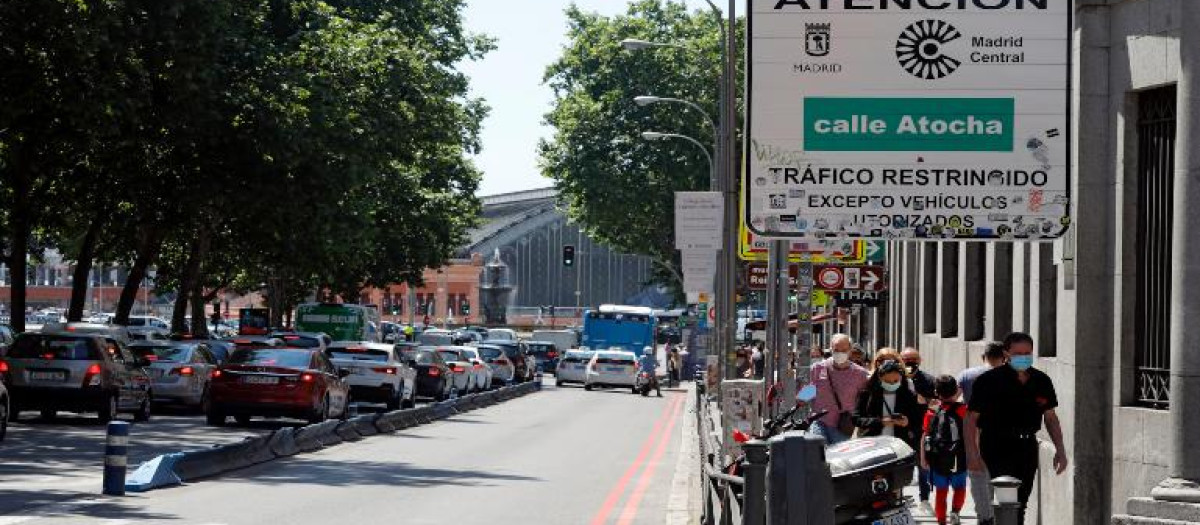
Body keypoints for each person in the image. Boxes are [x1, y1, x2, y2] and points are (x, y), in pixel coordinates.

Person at [966, 332, 1068, 525]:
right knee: (1006, 499)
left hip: (1027, 446)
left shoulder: (1041, 381)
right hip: (996, 445)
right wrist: (972, 454)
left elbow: (1051, 418)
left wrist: (1060, 450)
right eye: (1018, 353)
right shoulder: (988, 381)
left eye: (1027, 353)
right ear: (1006, 353)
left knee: (1021, 502)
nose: (1023, 357)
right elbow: (971, 419)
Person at [957, 341, 1008, 525]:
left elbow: (952, 399)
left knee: (978, 477)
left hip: (975, 434)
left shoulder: (966, 375)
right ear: (1004, 358)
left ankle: (985, 517)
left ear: (983, 357)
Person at [922, 375, 969, 525]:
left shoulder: (931, 412)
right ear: (956, 391)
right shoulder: (964, 410)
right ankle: (955, 511)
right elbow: (971, 434)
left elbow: (925, 436)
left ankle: (941, 521)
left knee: (941, 492)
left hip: (937, 459)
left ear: (937, 392)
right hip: (958, 458)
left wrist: (923, 458)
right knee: (960, 488)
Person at [807, 333, 869, 445]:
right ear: (831, 349)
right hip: (820, 423)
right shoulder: (817, 369)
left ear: (850, 350)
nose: (840, 353)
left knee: (839, 455)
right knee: (818, 454)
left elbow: (864, 400)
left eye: (844, 350)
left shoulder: (860, 374)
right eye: (836, 350)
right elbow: (808, 392)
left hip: (844, 426)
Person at [852, 359, 924, 446]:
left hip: (899, 444)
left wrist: (907, 422)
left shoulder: (909, 396)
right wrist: (880, 422)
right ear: (880, 378)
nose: (892, 384)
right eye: (887, 381)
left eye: (896, 381)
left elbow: (918, 421)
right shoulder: (867, 394)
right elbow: (856, 419)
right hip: (873, 443)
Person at [902, 346, 937, 514]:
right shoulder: (896, 379)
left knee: (923, 467)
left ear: (919, 361)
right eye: (906, 360)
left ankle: (924, 500)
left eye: (913, 360)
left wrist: (926, 401)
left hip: (922, 430)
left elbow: (937, 403)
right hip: (901, 430)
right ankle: (899, 501)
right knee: (901, 468)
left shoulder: (929, 380)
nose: (910, 363)